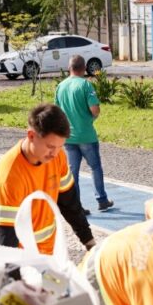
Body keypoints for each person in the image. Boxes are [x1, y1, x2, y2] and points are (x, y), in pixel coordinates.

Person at [0, 103, 96, 254]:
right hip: (22, 257)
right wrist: (14, 276)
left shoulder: (57, 157)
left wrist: (90, 243)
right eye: (50, 146)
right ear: (31, 136)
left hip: (50, 253)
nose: (54, 153)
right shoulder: (10, 174)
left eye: (60, 146)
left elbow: (69, 203)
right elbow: (7, 235)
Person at [54, 55, 114, 213]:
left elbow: (57, 112)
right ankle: (101, 200)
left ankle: (77, 206)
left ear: (69, 67)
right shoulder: (86, 85)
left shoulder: (60, 86)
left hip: (69, 136)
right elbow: (95, 109)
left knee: (73, 172)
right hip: (86, 135)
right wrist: (90, 119)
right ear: (84, 68)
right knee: (95, 167)